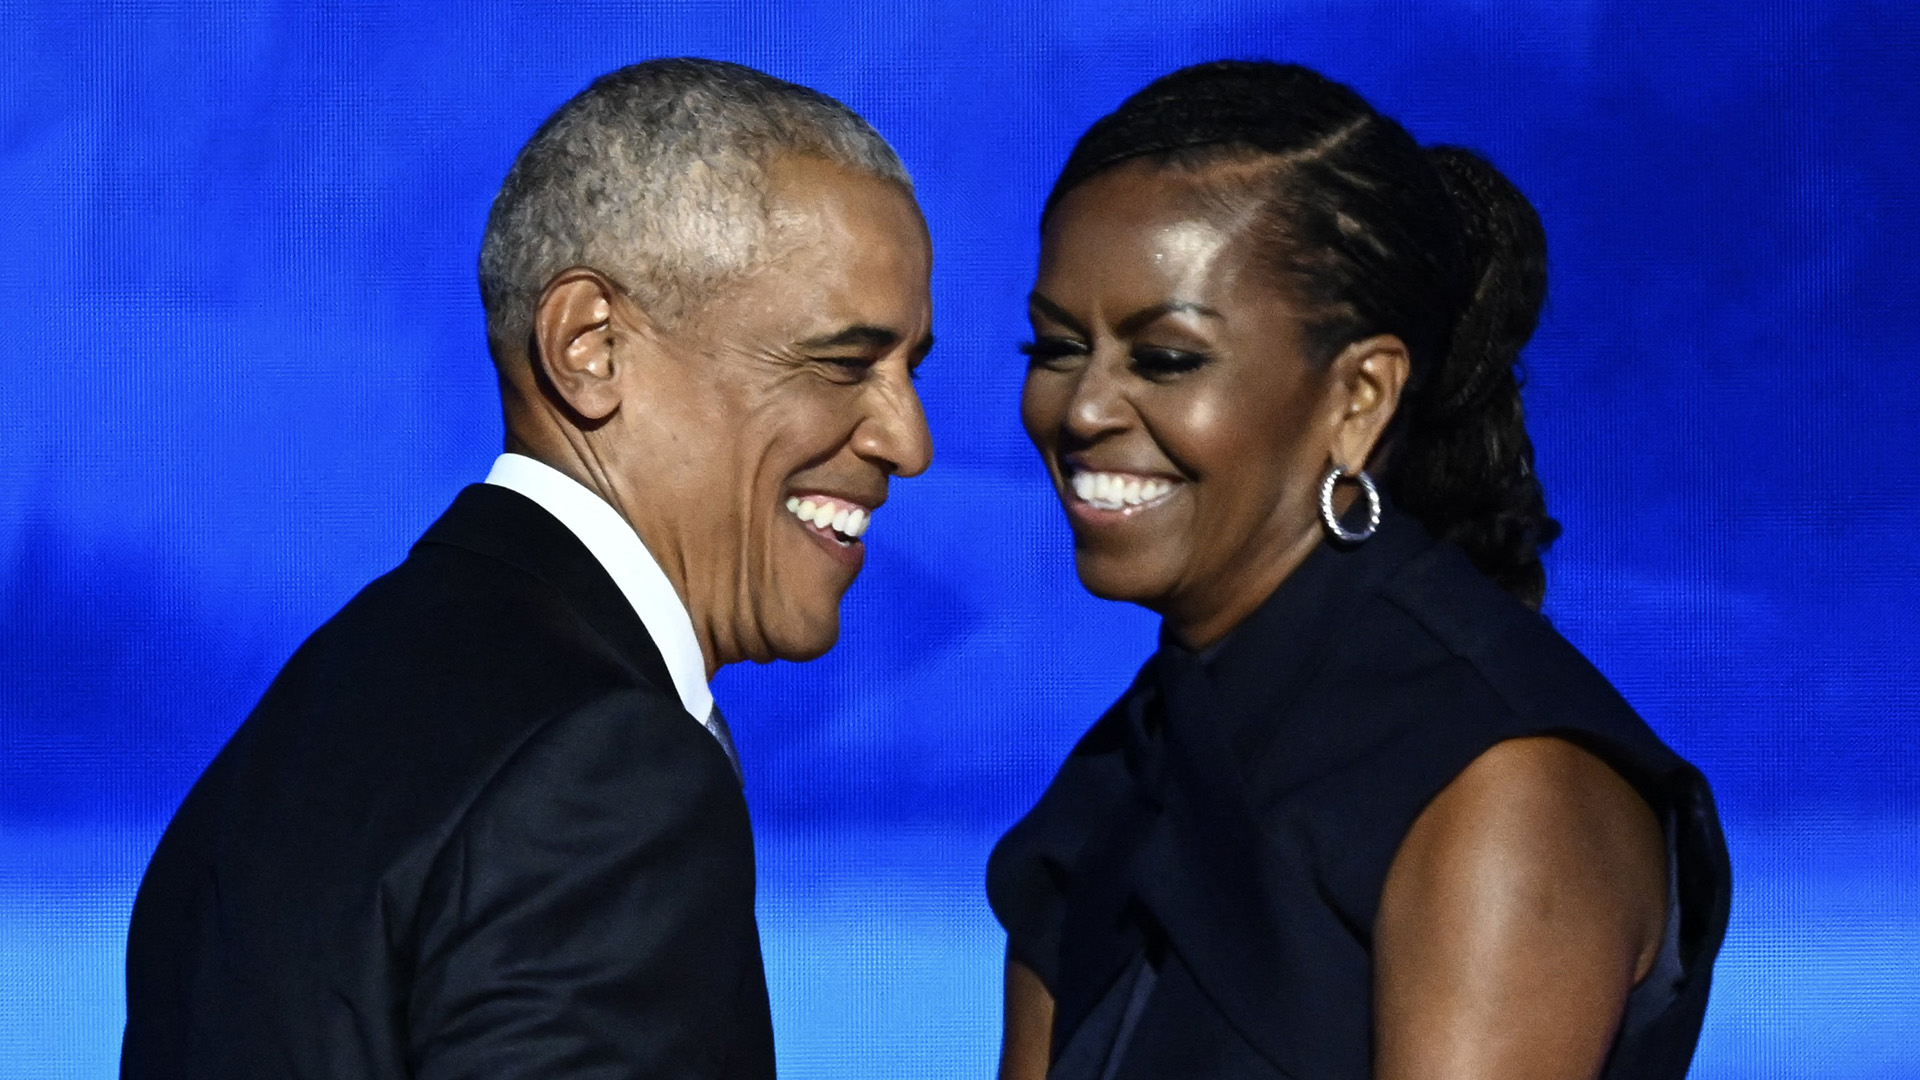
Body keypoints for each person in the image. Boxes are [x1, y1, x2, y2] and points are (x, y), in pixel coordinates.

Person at [121, 58, 933, 1078]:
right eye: (842, 363)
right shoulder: (601, 771)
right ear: (590, 345)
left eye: (913, 369)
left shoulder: (310, 717)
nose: (910, 440)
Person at [988, 60, 1730, 1080]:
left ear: (1359, 398)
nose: (1080, 410)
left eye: (1164, 358)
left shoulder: (1498, 787)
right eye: (1058, 345)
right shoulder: (1123, 769)